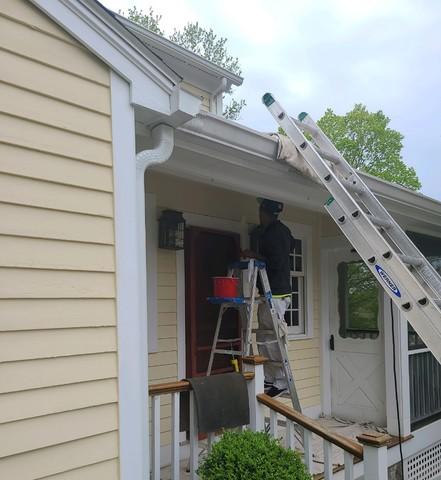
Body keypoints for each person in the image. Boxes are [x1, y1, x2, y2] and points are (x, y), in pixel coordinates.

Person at [242, 198, 295, 398]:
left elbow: (276, 260)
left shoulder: (276, 233)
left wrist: (254, 255)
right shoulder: (275, 231)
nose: (259, 215)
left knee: (274, 335)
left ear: (264, 212)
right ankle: (271, 378)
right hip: (270, 291)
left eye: (260, 211)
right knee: (265, 335)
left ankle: (281, 379)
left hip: (277, 291)